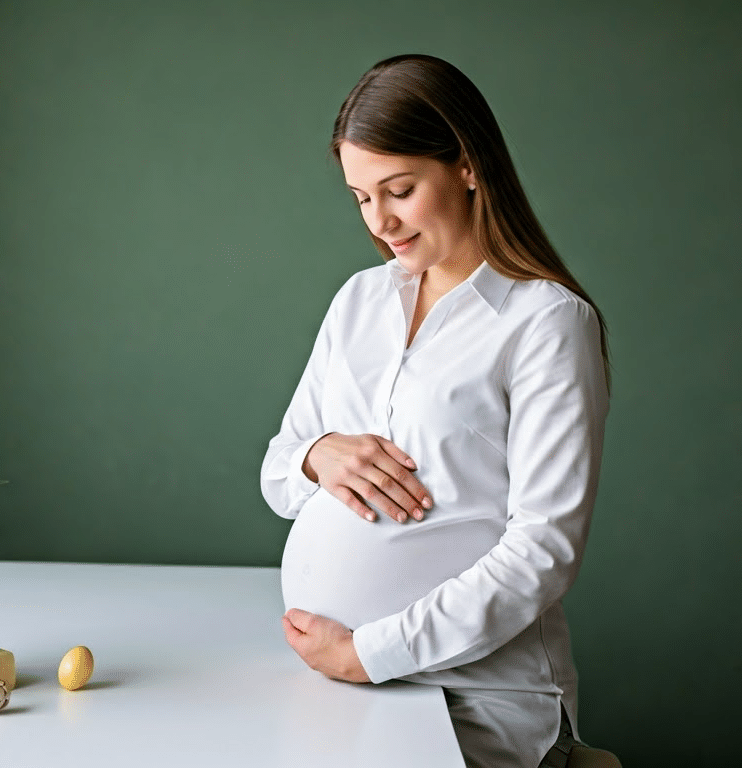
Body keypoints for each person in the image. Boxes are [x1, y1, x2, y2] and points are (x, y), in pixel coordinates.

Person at [260, 53, 610, 768]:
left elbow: (544, 550)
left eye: (399, 189)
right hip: (342, 690)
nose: (379, 220)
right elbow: (279, 479)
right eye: (361, 197)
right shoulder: (358, 301)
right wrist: (315, 453)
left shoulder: (546, 322)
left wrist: (370, 651)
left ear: (468, 167)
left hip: (471, 695)